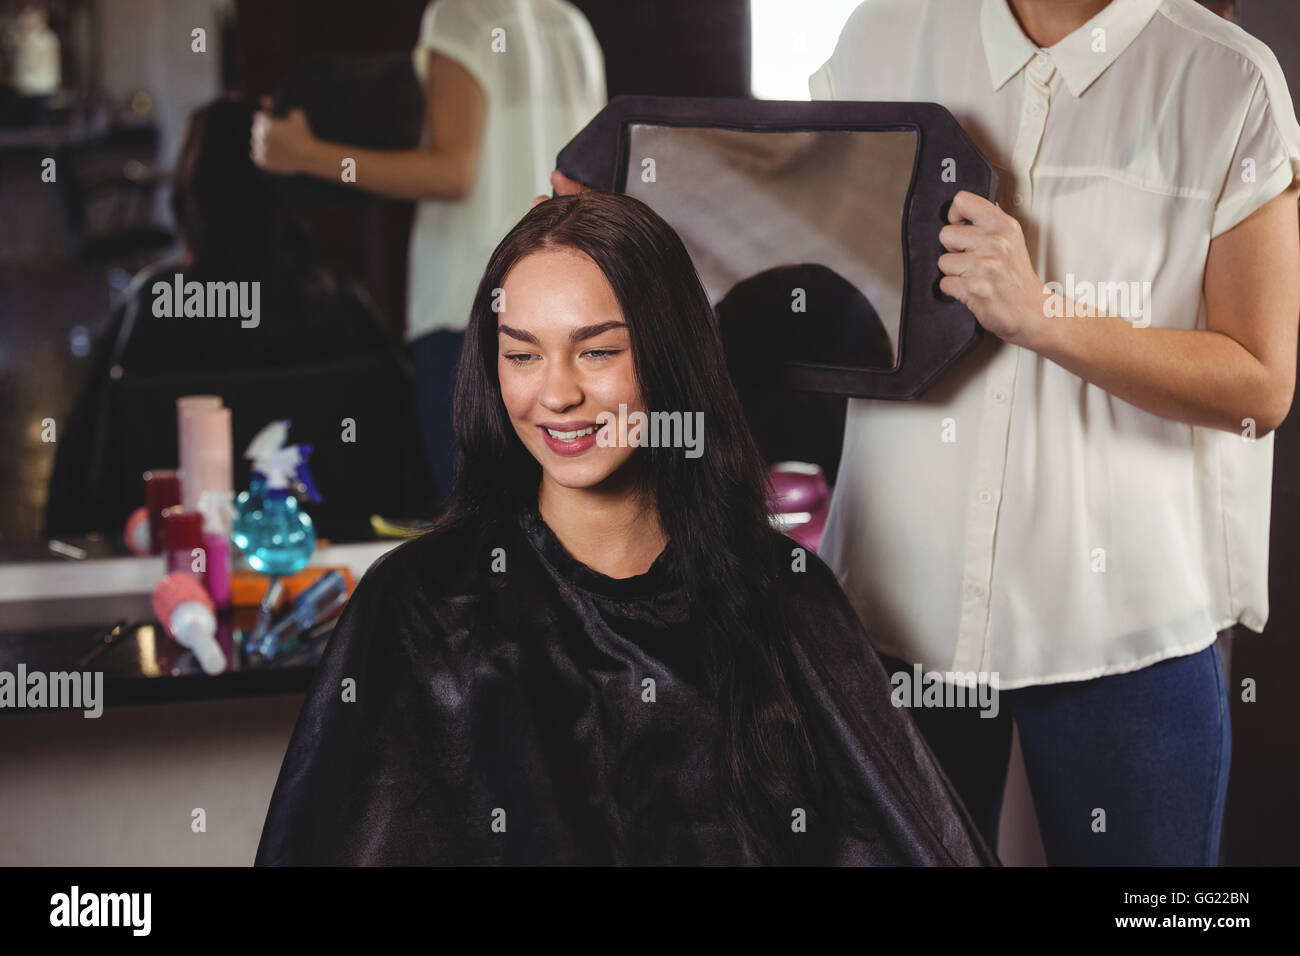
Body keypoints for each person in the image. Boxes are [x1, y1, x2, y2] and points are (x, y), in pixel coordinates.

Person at [254, 191, 999, 866]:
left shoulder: (780, 593)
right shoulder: (420, 608)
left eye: (599, 351)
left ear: (670, 358)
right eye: (521, 354)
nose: (558, 394)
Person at [801, 0, 1300, 865]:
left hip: (1128, 627)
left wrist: (1045, 317)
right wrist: (610, 220)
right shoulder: (882, 33)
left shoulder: (1229, 79)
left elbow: (1261, 382)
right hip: (894, 611)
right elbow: (795, 257)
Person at [251, 0, 606, 503]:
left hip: (468, 305)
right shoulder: (570, 25)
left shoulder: (460, 15)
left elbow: (452, 173)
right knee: (561, 514)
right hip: (565, 306)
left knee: (475, 524)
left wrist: (302, 154)